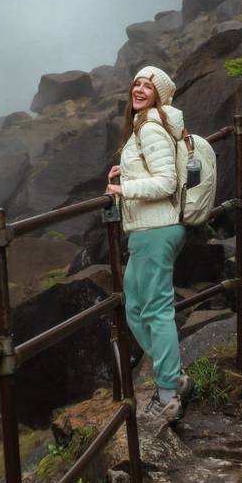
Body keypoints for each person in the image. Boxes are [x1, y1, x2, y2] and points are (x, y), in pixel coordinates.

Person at [106, 64, 194, 425]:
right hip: (147, 232)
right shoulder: (144, 126)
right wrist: (125, 171)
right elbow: (152, 170)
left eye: (148, 86)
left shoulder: (152, 126)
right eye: (137, 83)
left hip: (156, 230)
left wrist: (124, 188)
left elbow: (166, 182)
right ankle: (174, 377)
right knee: (135, 308)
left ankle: (168, 395)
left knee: (156, 312)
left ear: (160, 95)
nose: (139, 89)